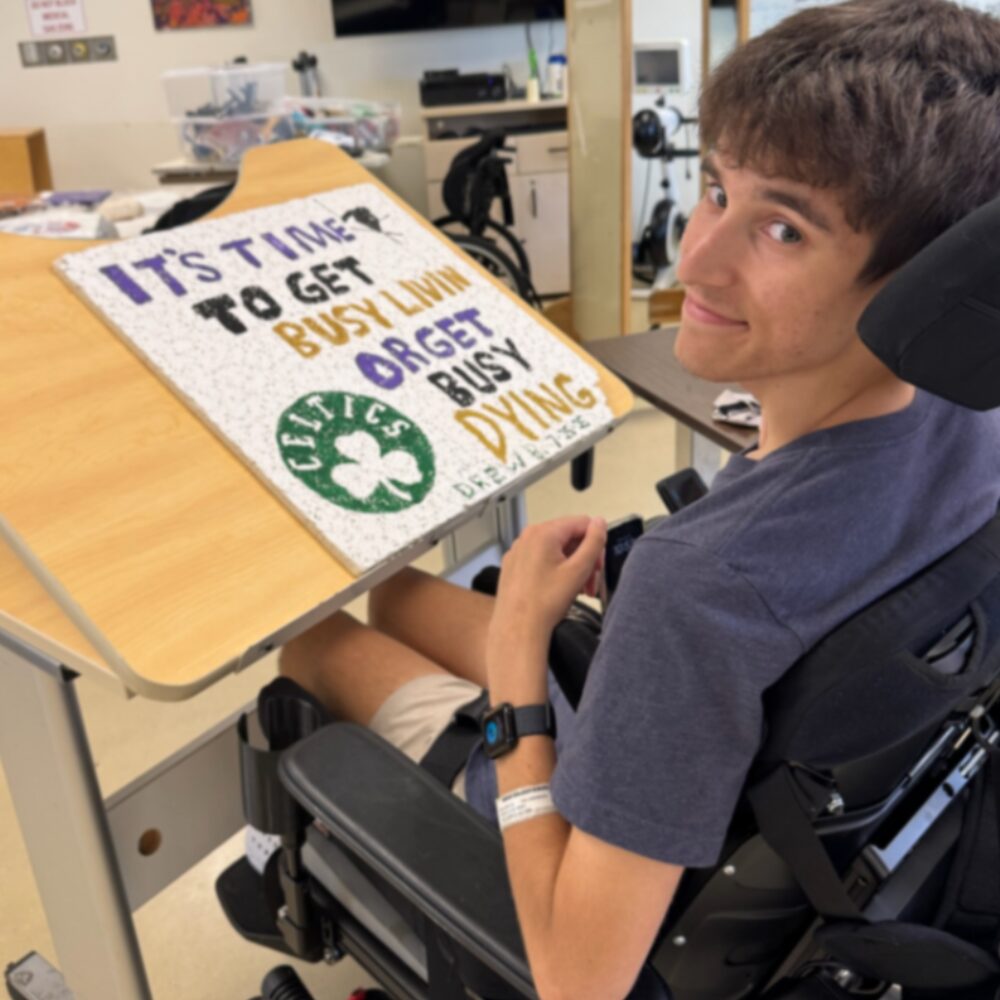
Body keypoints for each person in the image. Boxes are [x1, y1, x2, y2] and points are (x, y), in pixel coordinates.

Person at [279, 2, 1000, 996]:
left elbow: (580, 980)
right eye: (717, 190)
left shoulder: (697, 587)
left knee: (318, 640)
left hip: (600, 875)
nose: (694, 260)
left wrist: (517, 658)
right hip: (768, 795)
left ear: (919, 283)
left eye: (783, 228)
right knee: (397, 593)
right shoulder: (971, 417)